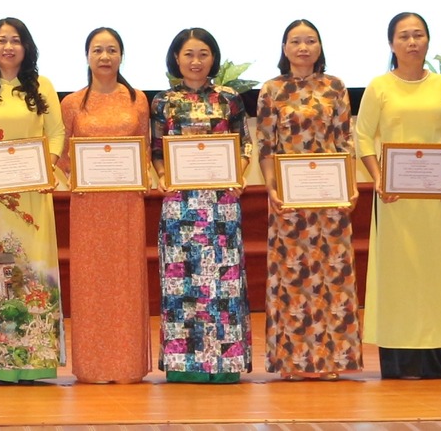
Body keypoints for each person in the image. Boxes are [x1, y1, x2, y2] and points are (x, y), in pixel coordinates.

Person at [355, 11, 441, 379]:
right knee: (398, 276)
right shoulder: (379, 87)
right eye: (403, 36)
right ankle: (398, 359)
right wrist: (378, 179)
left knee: (433, 275)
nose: (412, 42)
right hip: (394, 200)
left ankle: (435, 359)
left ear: (428, 41)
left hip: (435, 200)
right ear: (391, 44)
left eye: (418, 35)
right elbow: (362, 136)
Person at [254, 19, 361, 380]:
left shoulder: (335, 87)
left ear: (319, 47)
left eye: (310, 41)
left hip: (329, 197)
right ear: (284, 48)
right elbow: (266, 145)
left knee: (332, 276)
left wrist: (350, 185)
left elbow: (344, 141)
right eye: (296, 41)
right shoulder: (272, 89)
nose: (303, 48)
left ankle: (332, 361)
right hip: (289, 198)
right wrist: (271, 187)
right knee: (292, 278)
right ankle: (292, 361)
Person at [0, 17, 66, 383]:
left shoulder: (42, 86)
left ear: (27, 47)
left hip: (33, 199)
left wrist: (47, 168)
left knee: (33, 274)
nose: (9, 47)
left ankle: (36, 359)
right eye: (2, 40)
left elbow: (56, 133)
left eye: (16, 40)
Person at [150, 27, 250, 383]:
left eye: (203, 54)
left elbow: (244, 145)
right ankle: (184, 365)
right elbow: (156, 150)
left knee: (224, 286)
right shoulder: (163, 101)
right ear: (176, 58)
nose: (196, 61)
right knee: (182, 286)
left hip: (221, 205)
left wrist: (239, 174)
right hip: (180, 206)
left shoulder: (229, 99)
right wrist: (163, 175)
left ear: (213, 58)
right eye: (189, 54)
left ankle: (224, 366)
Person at [59, 26, 149, 384]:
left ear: (121, 55)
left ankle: (127, 365)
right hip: (88, 207)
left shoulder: (137, 100)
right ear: (87, 56)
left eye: (112, 50)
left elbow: (144, 150)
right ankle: (93, 365)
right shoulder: (72, 104)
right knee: (91, 284)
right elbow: (64, 156)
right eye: (97, 50)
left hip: (126, 205)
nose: (105, 57)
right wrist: (82, 173)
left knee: (125, 282)